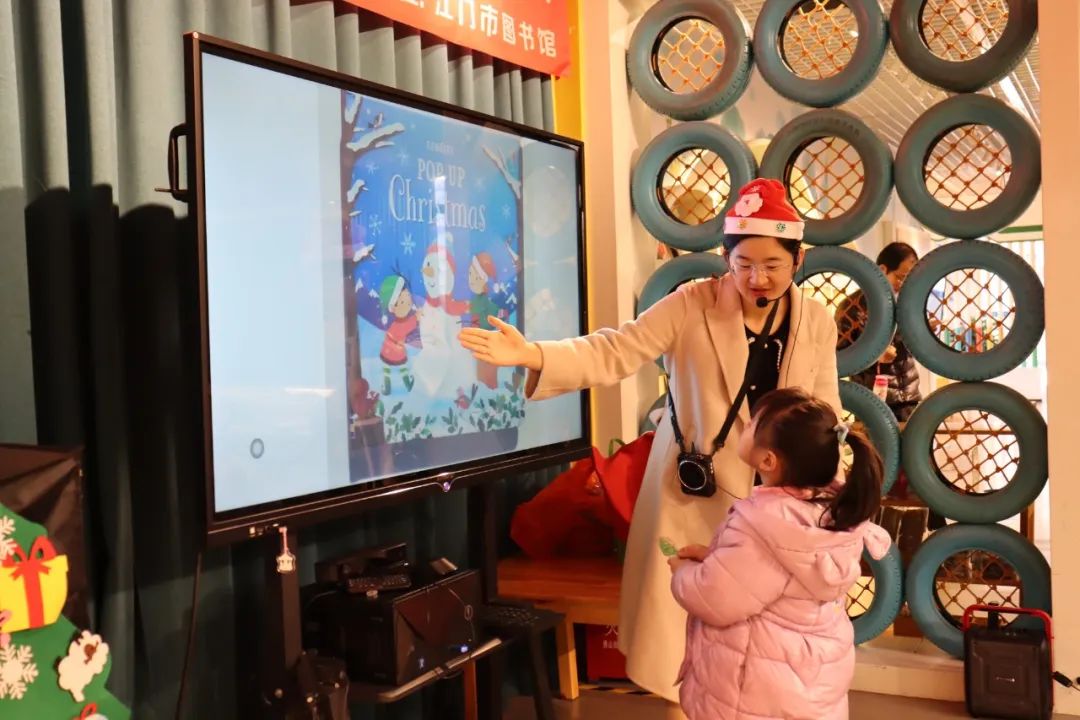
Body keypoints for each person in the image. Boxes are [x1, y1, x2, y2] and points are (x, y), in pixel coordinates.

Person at [458, 178, 842, 702]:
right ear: (725, 258)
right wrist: (535, 355)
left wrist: (831, 493)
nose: (757, 278)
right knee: (685, 652)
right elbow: (615, 350)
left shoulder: (815, 320)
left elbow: (825, 410)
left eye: (773, 265)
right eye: (744, 264)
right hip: (696, 498)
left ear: (799, 259)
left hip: (779, 505)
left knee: (764, 654)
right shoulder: (690, 305)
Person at [668, 387, 891, 720]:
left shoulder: (763, 525)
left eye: (752, 423)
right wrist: (715, 556)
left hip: (756, 690)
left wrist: (683, 572)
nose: (745, 424)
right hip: (808, 681)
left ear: (768, 460)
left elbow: (715, 599)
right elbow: (767, 578)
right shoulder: (829, 511)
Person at [835, 242, 922, 422]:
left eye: (909, 280)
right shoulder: (852, 307)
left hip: (910, 399)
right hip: (871, 402)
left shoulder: (908, 305)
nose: (904, 285)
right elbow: (839, 357)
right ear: (883, 269)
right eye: (900, 278)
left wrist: (924, 332)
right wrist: (874, 356)